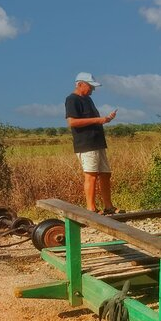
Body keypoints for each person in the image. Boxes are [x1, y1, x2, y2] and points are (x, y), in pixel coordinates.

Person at [65, 72, 124, 214]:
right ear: (80, 84)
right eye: (90, 86)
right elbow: (72, 122)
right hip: (86, 144)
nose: (93, 89)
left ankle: (108, 206)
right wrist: (98, 120)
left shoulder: (88, 100)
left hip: (98, 142)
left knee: (105, 174)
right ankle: (91, 209)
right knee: (91, 175)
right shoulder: (72, 99)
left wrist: (105, 119)